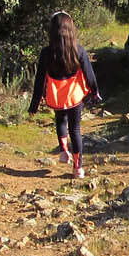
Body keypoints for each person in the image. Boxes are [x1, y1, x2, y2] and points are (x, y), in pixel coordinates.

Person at [27, 11, 100, 179]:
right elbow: (90, 74)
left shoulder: (46, 53)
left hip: (56, 95)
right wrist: (95, 92)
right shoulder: (79, 50)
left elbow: (39, 80)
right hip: (74, 95)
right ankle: (78, 168)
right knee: (75, 129)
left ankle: (64, 151)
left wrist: (34, 105)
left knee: (60, 121)